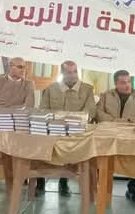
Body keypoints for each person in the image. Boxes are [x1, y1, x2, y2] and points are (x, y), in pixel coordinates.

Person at [39, 60, 97, 197]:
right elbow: (43, 110)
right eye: (69, 72)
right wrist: (56, 123)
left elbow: (90, 111)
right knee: (40, 140)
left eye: (75, 71)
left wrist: (73, 121)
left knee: (74, 144)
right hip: (53, 129)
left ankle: (64, 181)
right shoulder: (51, 88)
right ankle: (39, 181)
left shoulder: (87, 89)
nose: (73, 75)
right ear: (62, 73)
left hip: (75, 130)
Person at [96, 69, 135, 203]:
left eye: (129, 82)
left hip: (132, 135)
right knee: (100, 153)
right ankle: (101, 185)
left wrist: (129, 121)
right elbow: (98, 112)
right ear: (116, 84)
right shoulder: (106, 95)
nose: (127, 85)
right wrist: (114, 121)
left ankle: (132, 188)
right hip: (109, 134)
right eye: (123, 82)